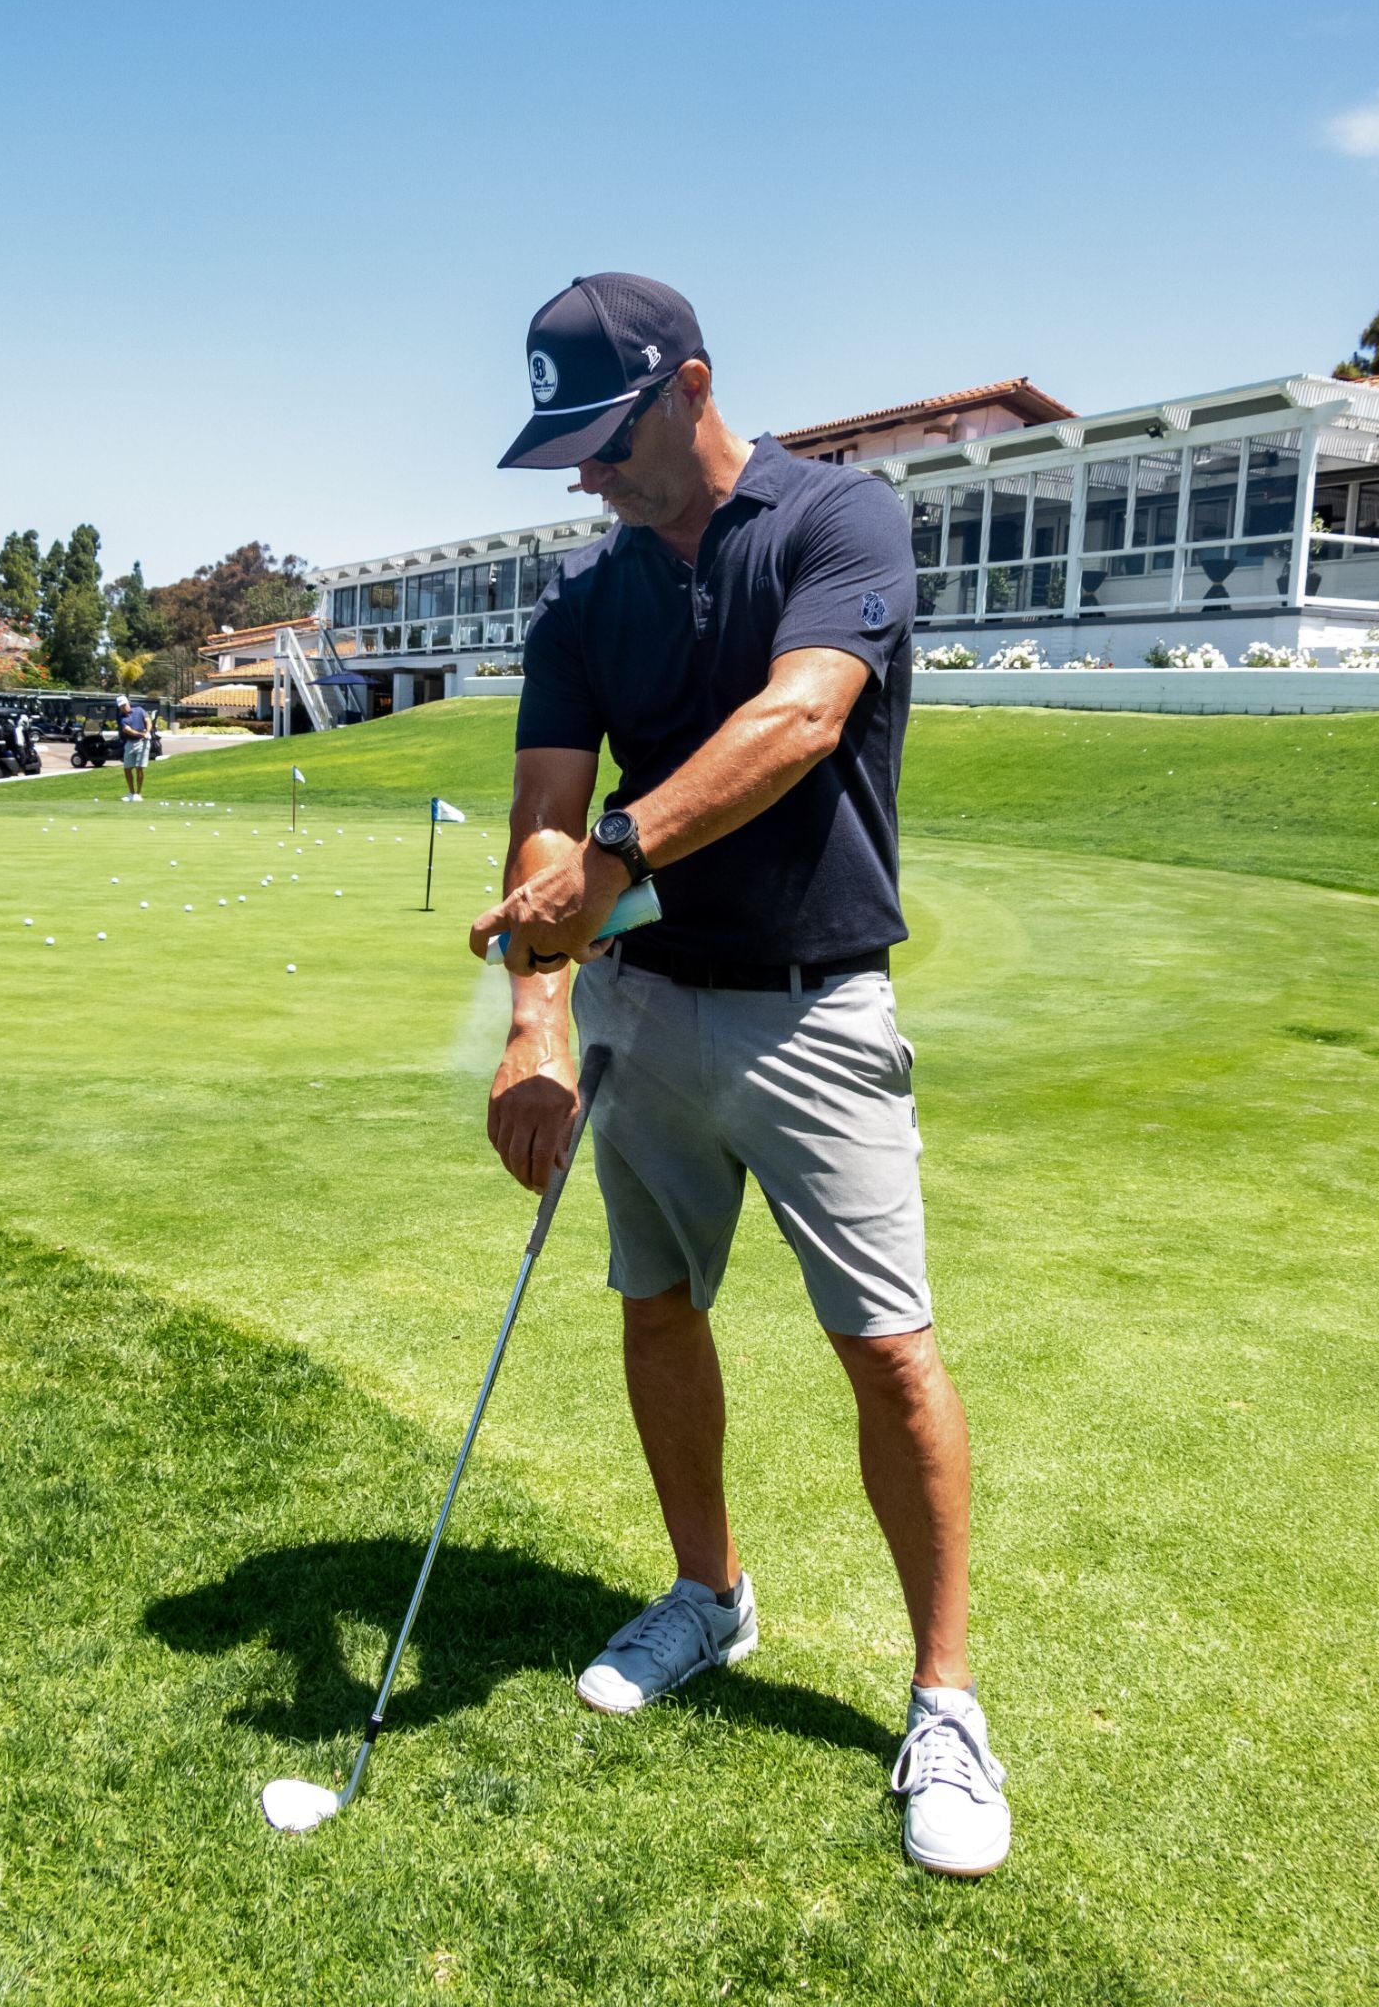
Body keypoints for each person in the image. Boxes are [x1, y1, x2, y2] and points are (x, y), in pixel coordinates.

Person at [470, 274, 1009, 1878]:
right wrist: (537, 1023)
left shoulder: (840, 521)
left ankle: (947, 1701)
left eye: (597, 438)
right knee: (656, 1308)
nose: (580, 474)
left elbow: (796, 721)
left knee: (890, 1354)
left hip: (815, 1011)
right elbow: (547, 815)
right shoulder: (583, 605)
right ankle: (709, 1596)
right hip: (650, 1007)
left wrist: (618, 854)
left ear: (685, 386)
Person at [116, 695, 149, 801]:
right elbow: (128, 730)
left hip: (142, 743)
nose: (123, 707)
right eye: (121, 706)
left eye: (124, 705)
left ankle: (138, 794)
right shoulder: (121, 718)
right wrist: (142, 734)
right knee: (127, 768)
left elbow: (148, 721)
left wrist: (147, 732)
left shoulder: (139, 710)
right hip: (130, 743)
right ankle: (131, 793)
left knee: (139, 768)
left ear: (128, 703)